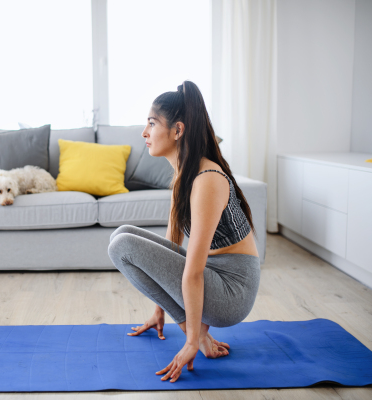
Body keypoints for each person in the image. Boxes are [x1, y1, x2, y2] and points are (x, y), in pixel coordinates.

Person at [107, 80, 261, 383]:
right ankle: (197, 331)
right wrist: (159, 309)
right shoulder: (184, 175)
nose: (144, 133)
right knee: (122, 235)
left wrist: (191, 340)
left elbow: (192, 270)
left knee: (121, 245)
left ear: (178, 131)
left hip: (233, 292)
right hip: (215, 277)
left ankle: (199, 335)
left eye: (152, 123)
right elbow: (172, 242)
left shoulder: (206, 179)